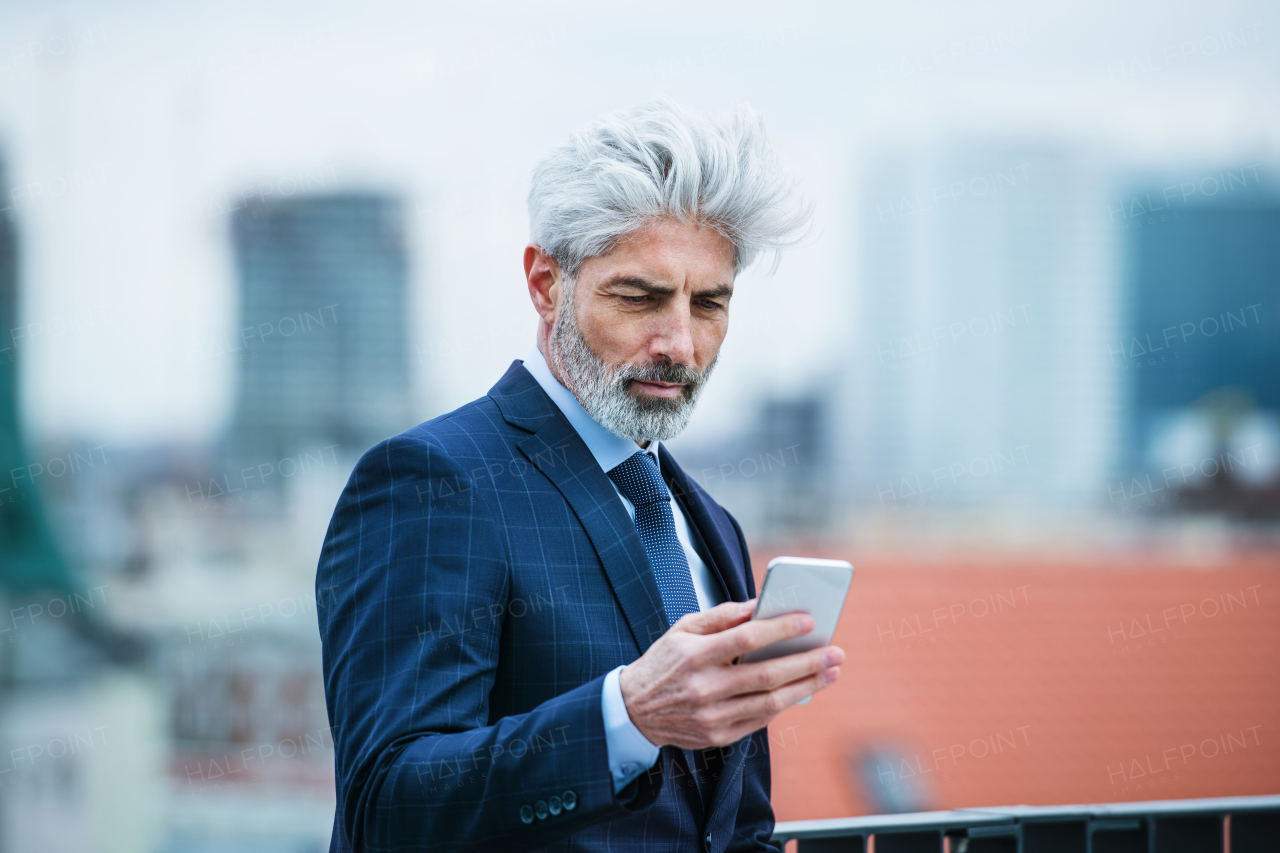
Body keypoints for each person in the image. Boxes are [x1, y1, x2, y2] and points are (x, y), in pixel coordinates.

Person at [316, 99, 845, 853]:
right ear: (545, 284)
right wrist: (626, 716)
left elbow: (732, 825)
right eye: (640, 297)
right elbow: (387, 806)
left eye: (710, 304)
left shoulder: (710, 523)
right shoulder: (432, 481)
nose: (680, 343)